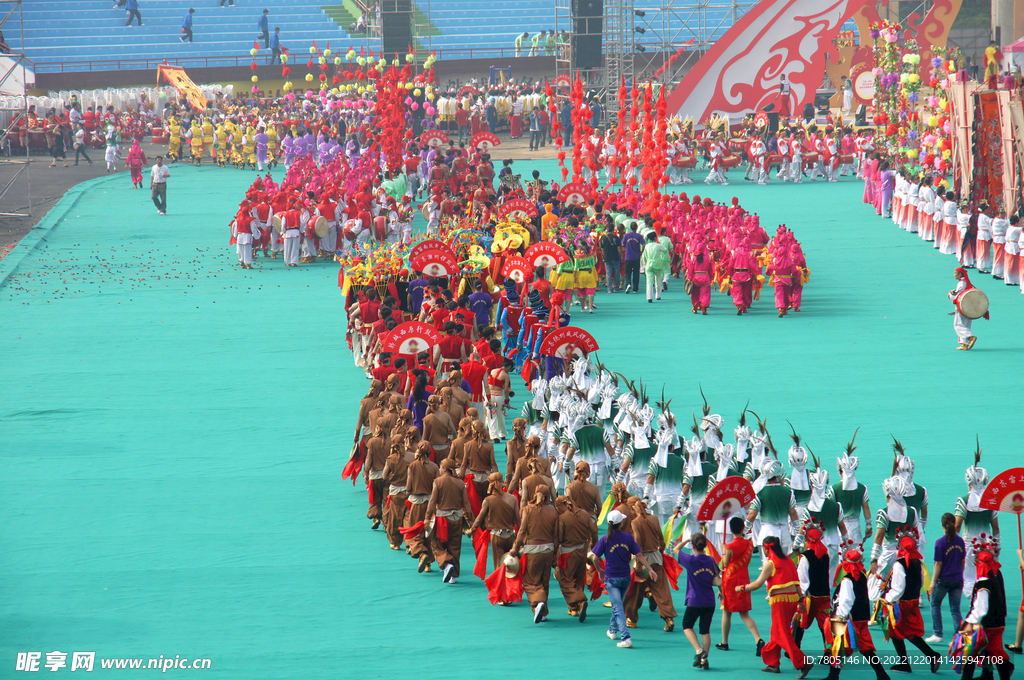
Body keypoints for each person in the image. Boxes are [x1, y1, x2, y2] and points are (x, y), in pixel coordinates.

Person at [740, 536, 814, 677]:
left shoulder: (771, 563)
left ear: (767, 548)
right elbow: (797, 583)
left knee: (782, 633)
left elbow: (757, 584)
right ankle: (773, 662)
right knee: (777, 631)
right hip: (792, 600)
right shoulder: (789, 561)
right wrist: (800, 601)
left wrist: (742, 588)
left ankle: (803, 662)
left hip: (780, 602)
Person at [590, 509, 654, 648]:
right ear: (621, 523)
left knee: (617, 607)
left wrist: (599, 570)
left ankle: (626, 637)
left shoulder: (605, 539)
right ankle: (613, 630)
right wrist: (650, 569)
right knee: (618, 606)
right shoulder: (628, 538)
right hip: (625, 578)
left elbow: (595, 557)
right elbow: (640, 555)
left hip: (611, 579)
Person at [881, 528, 942, 674]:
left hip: (901, 604)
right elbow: (921, 582)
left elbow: (898, 588)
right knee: (909, 632)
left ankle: (905, 663)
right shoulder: (918, 563)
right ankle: (932, 655)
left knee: (895, 630)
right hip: (913, 602)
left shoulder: (899, 564)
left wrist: (887, 599)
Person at [825, 548, 891, 680]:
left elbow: (846, 600)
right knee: (866, 648)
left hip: (850, 620)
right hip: (862, 618)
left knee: (838, 647)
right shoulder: (861, 576)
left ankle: (833, 676)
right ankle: (882, 674)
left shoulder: (847, 580)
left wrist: (840, 616)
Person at [959, 539, 1014, 680]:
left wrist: (969, 622)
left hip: (987, 623)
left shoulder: (983, 582)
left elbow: (981, 609)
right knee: (993, 652)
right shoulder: (996, 573)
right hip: (998, 620)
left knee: (971, 651)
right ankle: (993, 672)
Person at [511, 483, 559, 623]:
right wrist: (555, 553)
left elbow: (522, 531)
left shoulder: (527, 510)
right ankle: (543, 612)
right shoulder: (553, 512)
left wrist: (515, 547)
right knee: (544, 581)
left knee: (531, 582)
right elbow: (556, 537)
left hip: (532, 550)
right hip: (548, 550)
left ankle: (538, 603)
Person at [717, 516, 765, 654]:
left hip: (730, 581)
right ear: (743, 528)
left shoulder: (730, 547)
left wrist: (724, 550)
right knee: (744, 614)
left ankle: (725, 641)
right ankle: (758, 639)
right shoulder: (749, 544)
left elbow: (725, 564)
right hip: (743, 579)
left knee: (727, 611)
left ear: (731, 529)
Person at [425, 458, 474, 584]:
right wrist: (471, 520)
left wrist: (427, 517)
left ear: (445, 468)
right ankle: (453, 576)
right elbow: (466, 503)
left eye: (441, 467)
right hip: (457, 519)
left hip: (442, 519)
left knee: (436, 545)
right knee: (455, 546)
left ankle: (447, 564)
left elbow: (432, 501)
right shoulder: (460, 483)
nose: (440, 469)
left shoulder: (438, 482)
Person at [675, 532, 720, 669]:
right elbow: (717, 578)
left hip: (694, 600)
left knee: (687, 626)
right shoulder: (711, 560)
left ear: (693, 546)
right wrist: (721, 591)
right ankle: (704, 660)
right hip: (709, 601)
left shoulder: (690, 561)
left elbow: (676, 549)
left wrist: (687, 539)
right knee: (705, 631)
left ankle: (699, 650)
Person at [926, 512, 964, 644]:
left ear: (943, 525)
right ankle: (958, 637)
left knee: (935, 604)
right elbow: (963, 561)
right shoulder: (960, 541)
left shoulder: (940, 543)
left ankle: (938, 633)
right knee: (955, 609)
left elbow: (938, 564)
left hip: (943, 581)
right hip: (958, 579)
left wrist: (932, 582)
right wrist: (959, 573)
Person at [948, 267, 986, 350]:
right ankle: (964, 343)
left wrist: (950, 294)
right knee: (965, 325)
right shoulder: (966, 282)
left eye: (955, 273)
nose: (954, 275)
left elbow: (956, 294)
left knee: (958, 325)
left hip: (962, 306)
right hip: (968, 306)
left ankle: (970, 337)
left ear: (960, 274)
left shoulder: (962, 283)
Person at [640, 231, 670, 303]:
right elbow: (665, 250)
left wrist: (644, 265)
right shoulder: (658, 245)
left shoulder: (647, 246)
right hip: (658, 264)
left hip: (649, 264)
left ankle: (649, 297)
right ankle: (658, 295)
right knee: (658, 280)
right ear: (655, 238)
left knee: (649, 281)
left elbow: (644, 256)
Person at [621, 220, 643, 294]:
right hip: (636, 257)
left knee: (628, 272)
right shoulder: (639, 236)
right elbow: (644, 244)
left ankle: (628, 284)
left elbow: (622, 244)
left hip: (628, 256)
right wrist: (641, 251)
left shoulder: (626, 235)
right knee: (636, 273)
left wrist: (627, 247)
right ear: (636, 228)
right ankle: (635, 288)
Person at [599, 225, 622, 293]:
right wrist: (621, 256)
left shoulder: (603, 238)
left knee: (608, 273)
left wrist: (604, 255)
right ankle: (616, 288)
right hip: (615, 257)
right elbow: (619, 247)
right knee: (617, 273)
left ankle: (609, 289)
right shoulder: (616, 237)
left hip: (607, 258)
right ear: (613, 230)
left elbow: (602, 249)